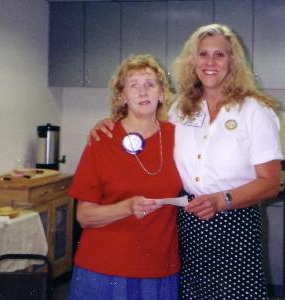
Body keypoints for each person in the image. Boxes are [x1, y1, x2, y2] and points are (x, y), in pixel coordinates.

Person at [89, 24, 283, 300]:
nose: (210, 62)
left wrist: (220, 200)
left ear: (233, 61)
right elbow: (145, 127)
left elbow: (270, 183)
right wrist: (109, 123)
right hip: (187, 221)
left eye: (220, 55)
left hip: (235, 223)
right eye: (203, 54)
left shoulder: (254, 111)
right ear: (193, 62)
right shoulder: (181, 108)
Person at [68, 54, 182, 300]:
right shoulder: (102, 140)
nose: (143, 92)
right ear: (122, 96)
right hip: (103, 269)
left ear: (162, 93)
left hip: (158, 267)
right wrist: (127, 207)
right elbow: (84, 216)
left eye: (150, 84)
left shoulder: (179, 137)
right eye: (134, 85)